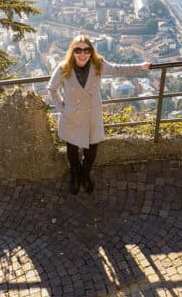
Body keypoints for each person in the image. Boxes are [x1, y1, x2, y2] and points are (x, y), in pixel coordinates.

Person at [48, 35, 151, 194]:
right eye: (78, 50)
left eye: (86, 50)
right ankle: (75, 175)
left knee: (91, 152)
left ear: (91, 51)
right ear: (72, 51)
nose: (82, 54)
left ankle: (85, 174)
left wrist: (141, 67)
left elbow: (118, 69)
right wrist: (63, 109)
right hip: (72, 116)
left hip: (91, 116)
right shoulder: (63, 68)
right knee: (72, 151)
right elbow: (52, 89)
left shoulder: (98, 65)